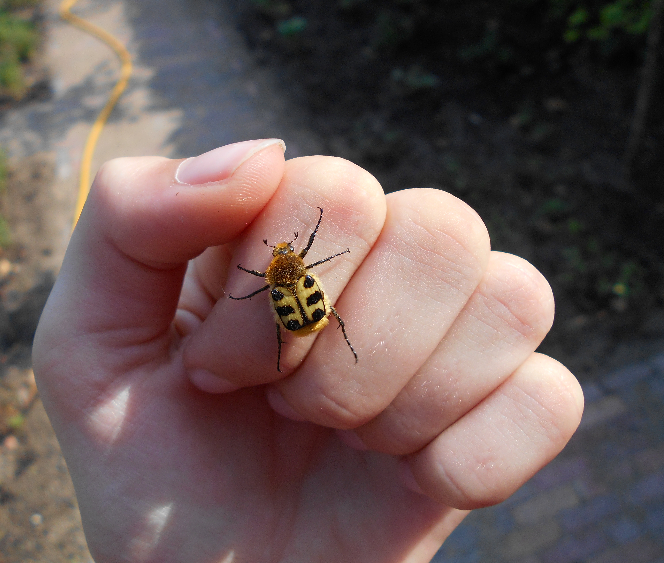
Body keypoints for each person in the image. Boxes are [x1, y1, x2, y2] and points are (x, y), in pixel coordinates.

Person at [33, 139, 584, 563]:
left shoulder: (276, 277)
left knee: (307, 314)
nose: (283, 254)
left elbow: (275, 275)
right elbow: (298, 259)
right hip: (304, 316)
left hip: (298, 317)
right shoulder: (290, 270)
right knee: (316, 316)